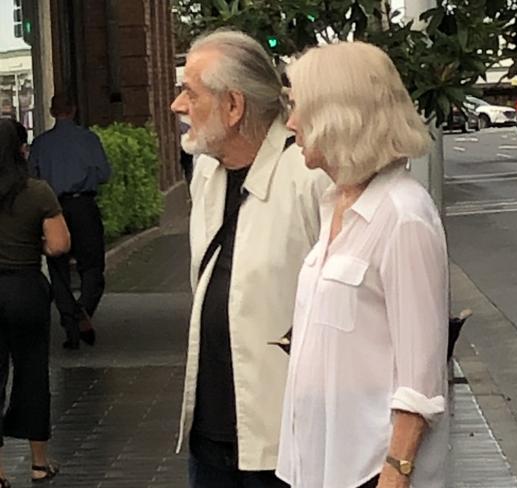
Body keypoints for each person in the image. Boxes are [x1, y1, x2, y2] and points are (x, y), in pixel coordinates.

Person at [276, 42, 450, 488]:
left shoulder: (402, 214)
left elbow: (421, 376)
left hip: (369, 472)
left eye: (297, 107)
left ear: (338, 114)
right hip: (320, 464)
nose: (290, 123)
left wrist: (396, 472)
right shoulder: (335, 203)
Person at [170, 30, 328, 488]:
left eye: (190, 92)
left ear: (234, 107)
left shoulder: (308, 174)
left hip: (286, 445)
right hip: (210, 437)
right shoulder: (205, 172)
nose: (178, 105)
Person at [0, 119, 71, 485]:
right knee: (32, 373)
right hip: (25, 288)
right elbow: (59, 245)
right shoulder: (38, 192)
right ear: (20, 150)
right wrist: (36, 246)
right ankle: (39, 463)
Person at [29, 94, 112, 350]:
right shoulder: (88, 139)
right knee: (92, 265)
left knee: (58, 268)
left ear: (53, 111)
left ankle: (69, 324)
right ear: (74, 110)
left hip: (52, 208)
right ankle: (83, 310)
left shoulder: (41, 144)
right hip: (83, 205)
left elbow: (32, 177)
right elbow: (104, 174)